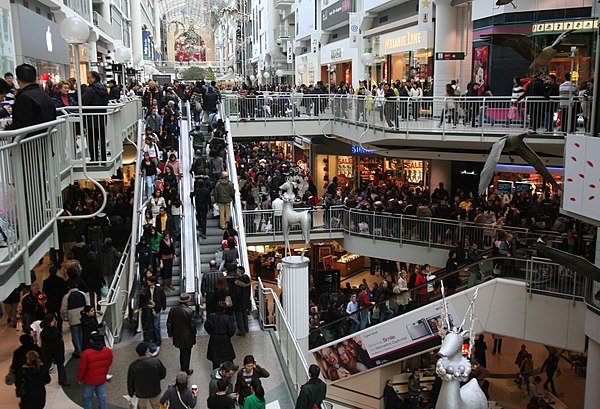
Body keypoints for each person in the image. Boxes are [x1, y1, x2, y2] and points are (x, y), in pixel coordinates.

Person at [9, 64, 56, 130]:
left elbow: (21, 125)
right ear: (35, 78)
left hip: (30, 138)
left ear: (18, 80)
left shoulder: (24, 98)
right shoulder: (45, 95)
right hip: (46, 137)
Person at [76, 332, 113, 409]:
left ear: (91, 341)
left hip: (89, 380)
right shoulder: (108, 351)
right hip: (102, 378)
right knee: (102, 397)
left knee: (87, 397)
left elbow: (82, 369)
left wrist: (79, 378)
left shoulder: (86, 354)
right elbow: (109, 362)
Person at [127, 342, 167, 409]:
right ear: (147, 351)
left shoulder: (133, 366)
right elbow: (163, 374)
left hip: (140, 393)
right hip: (155, 391)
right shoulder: (156, 362)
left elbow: (130, 382)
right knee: (158, 406)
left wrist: (131, 393)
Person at [81, 71, 109, 161]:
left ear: (93, 78)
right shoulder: (104, 89)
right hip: (101, 117)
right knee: (102, 139)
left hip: (91, 118)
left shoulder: (90, 90)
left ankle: (94, 158)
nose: (87, 79)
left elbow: (84, 103)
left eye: (89, 78)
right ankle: (103, 158)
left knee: (91, 140)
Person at [167, 293, 197, 375]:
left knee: (182, 352)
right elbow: (192, 325)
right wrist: (194, 333)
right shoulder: (189, 311)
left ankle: (182, 367)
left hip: (177, 334)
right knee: (187, 353)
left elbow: (169, 323)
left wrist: (170, 333)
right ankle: (185, 369)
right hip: (187, 336)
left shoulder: (173, 310)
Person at [60, 279, 89, 358]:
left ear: (69, 287)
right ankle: (82, 348)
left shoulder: (66, 297)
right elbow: (87, 304)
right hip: (82, 317)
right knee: (81, 333)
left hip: (72, 318)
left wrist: (65, 318)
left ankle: (78, 350)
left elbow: (63, 309)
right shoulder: (82, 294)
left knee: (75, 335)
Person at [205, 301, 236, 369]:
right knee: (228, 355)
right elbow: (232, 329)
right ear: (224, 309)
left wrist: (211, 333)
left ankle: (216, 371)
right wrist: (228, 335)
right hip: (225, 338)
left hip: (214, 337)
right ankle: (230, 367)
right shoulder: (227, 318)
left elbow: (206, 326)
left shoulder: (211, 317)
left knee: (215, 356)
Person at [40, 313, 69, 386]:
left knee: (58, 364)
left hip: (55, 350)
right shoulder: (46, 332)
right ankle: (42, 378)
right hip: (51, 351)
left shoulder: (51, 330)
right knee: (47, 365)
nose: (55, 321)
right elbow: (54, 338)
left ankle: (62, 379)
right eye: (53, 320)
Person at [144, 276, 167, 349]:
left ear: (153, 282)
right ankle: (154, 338)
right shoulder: (146, 290)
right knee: (152, 325)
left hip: (157, 309)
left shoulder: (159, 289)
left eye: (149, 281)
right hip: (149, 310)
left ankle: (158, 339)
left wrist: (163, 307)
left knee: (156, 325)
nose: (148, 282)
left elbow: (163, 298)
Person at [231, 266, 251, 336]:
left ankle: (242, 331)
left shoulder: (237, 281)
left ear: (239, 272)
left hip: (239, 302)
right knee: (244, 315)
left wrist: (234, 302)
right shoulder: (247, 279)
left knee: (239, 316)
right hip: (246, 300)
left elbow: (236, 293)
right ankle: (246, 328)